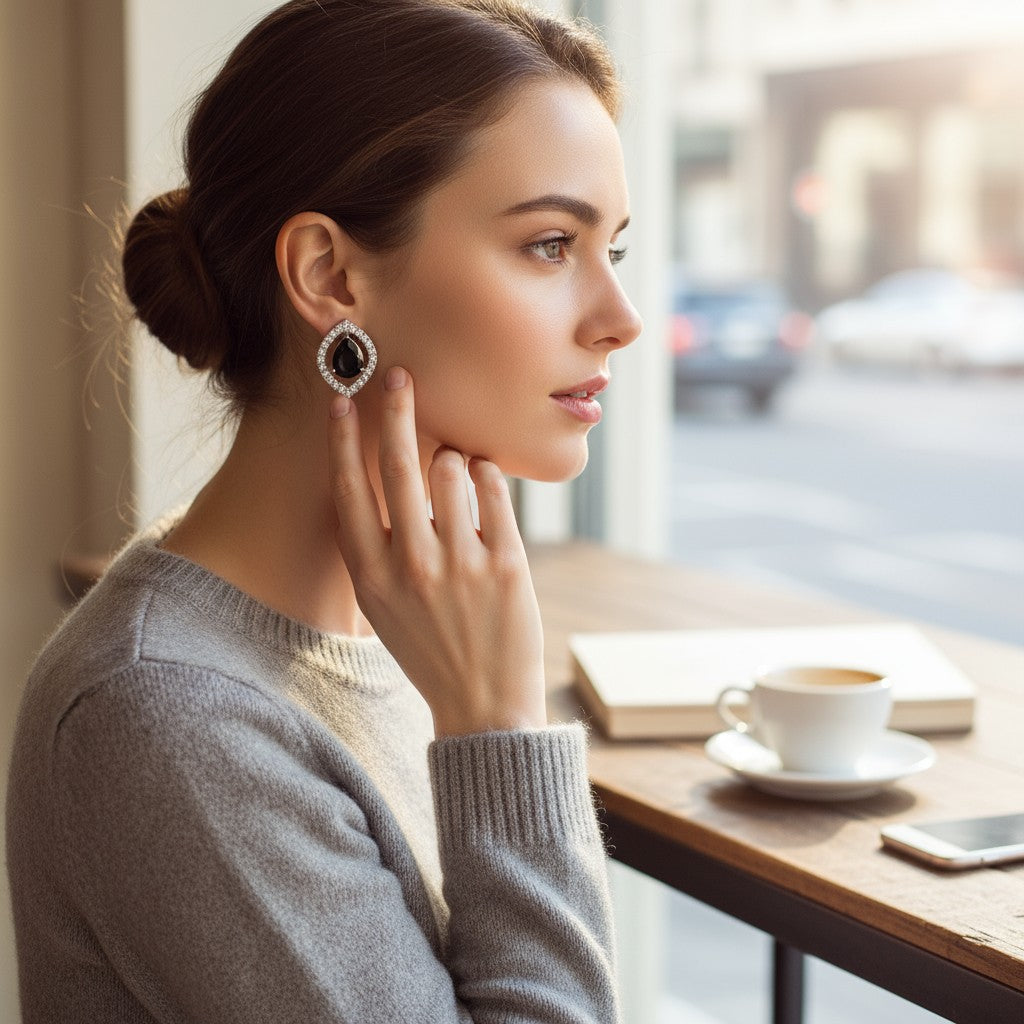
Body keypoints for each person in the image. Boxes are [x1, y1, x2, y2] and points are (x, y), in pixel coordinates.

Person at [5, 0, 642, 1020]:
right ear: (328, 275)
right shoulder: (169, 718)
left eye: (616, 247)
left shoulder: (406, 620)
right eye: (550, 244)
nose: (620, 319)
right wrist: (499, 726)